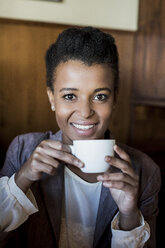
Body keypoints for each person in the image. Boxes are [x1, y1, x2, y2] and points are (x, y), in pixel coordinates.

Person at [0, 26, 161, 248]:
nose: (85, 111)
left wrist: (129, 215)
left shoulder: (145, 171)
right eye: (69, 96)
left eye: (100, 96)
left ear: (114, 99)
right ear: (52, 99)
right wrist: (22, 179)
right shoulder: (22, 150)